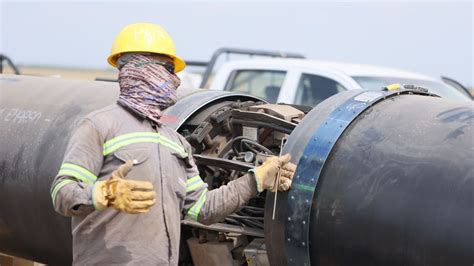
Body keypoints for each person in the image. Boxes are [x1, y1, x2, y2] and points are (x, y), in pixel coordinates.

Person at [50, 22, 296, 265]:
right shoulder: (99, 126)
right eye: (168, 68)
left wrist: (256, 179)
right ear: (139, 68)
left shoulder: (175, 143)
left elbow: (204, 209)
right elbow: (62, 192)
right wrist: (100, 194)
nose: (175, 79)